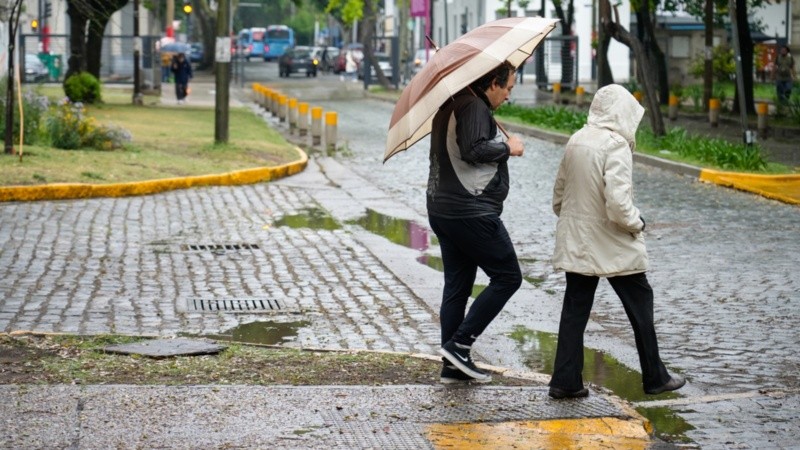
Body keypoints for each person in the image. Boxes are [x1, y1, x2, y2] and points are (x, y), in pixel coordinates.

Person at [548, 84, 685, 399]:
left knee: (575, 308)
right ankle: (655, 376)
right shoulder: (616, 145)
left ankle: (565, 381)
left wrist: (577, 218)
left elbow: (559, 198)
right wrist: (637, 223)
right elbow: (619, 204)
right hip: (613, 240)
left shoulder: (576, 140)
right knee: (640, 303)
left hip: (578, 238)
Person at [429, 61, 525, 384]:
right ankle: (460, 344)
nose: (509, 95)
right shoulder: (472, 106)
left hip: (444, 209)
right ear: (492, 83)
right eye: (508, 87)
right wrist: (507, 148)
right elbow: (473, 149)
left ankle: (452, 366)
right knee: (508, 276)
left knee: (457, 285)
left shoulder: (453, 103)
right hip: (470, 212)